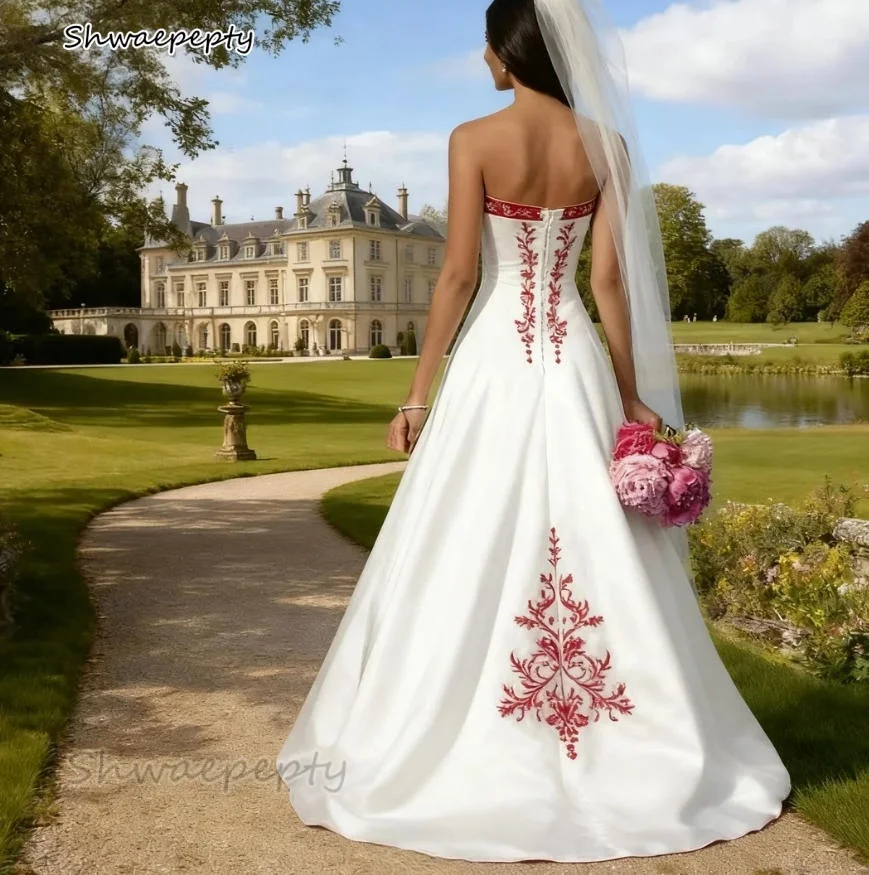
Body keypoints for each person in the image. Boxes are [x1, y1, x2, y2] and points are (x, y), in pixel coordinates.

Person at [276, 0, 790, 863]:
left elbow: (456, 274)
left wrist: (416, 395)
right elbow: (608, 282)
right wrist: (628, 395)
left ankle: (450, 723)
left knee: (463, 526)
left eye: (487, 45)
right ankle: (633, 732)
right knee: (595, 534)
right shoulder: (606, 146)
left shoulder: (473, 138)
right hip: (574, 357)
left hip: (495, 362)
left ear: (507, 52)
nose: (482, 58)